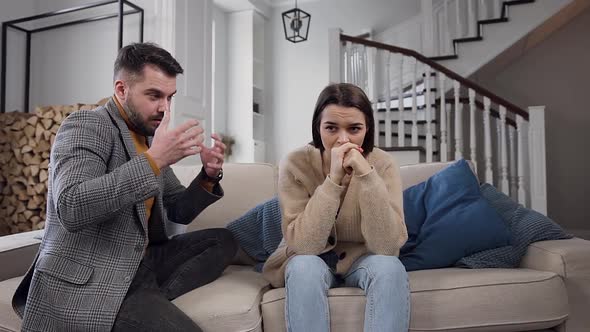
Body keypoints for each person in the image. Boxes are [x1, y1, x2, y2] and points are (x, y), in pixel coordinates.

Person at [12, 42, 237, 332]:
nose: (164, 108)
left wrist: (208, 176)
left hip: (141, 263)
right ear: (121, 89)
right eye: (154, 95)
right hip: (95, 274)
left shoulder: (147, 138)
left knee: (224, 240)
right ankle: (137, 307)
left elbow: (179, 209)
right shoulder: (86, 125)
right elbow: (71, 206)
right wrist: (155, 160)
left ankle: (150, 302)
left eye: (170, 97)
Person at [262, 83, 410, 332]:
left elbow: (386, 247)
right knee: (303, 267)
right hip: (310, 258)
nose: (343, 139)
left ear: (368, 129)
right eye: (331, 128)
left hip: (362, 258)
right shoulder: (294, 163)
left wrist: (367, 176)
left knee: (390, 267)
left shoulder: (383, 164)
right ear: (317, 128)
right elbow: (304, 246)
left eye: (354, 129)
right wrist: (332, 181)